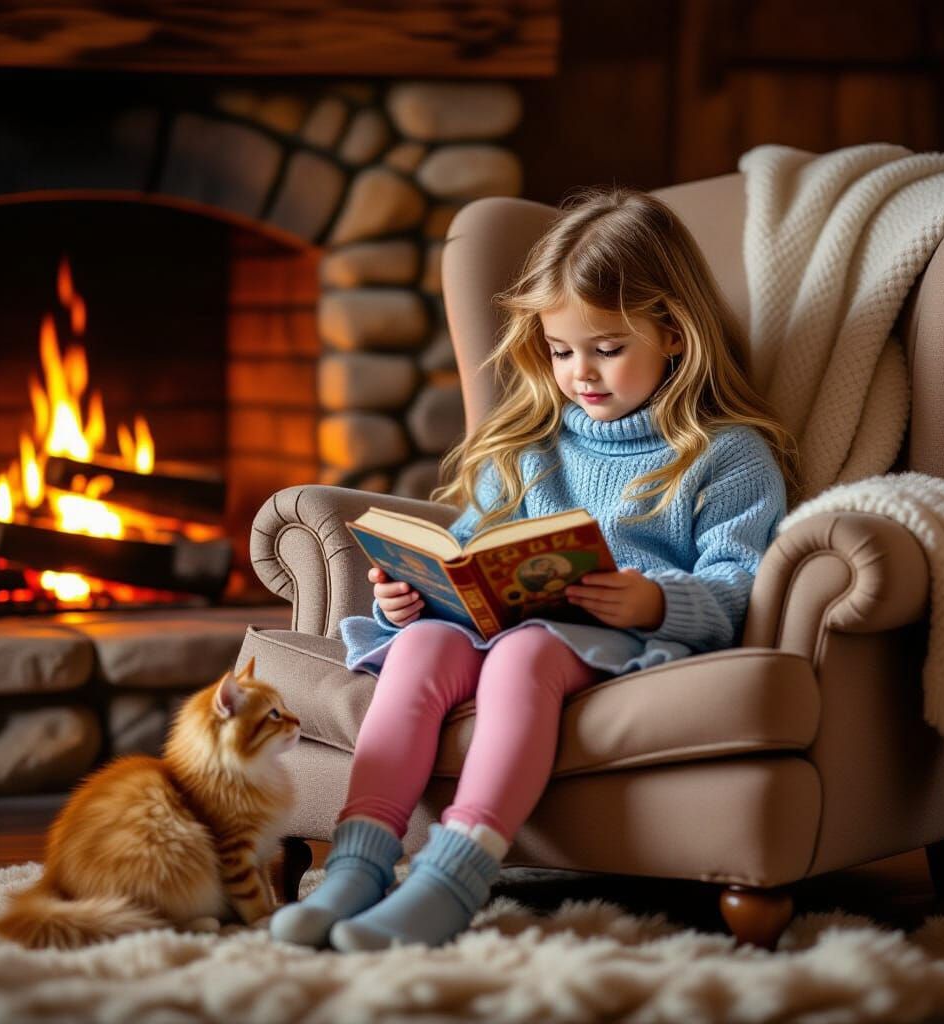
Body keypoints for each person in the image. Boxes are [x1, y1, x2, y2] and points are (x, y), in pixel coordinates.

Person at [271, 186, 800, 952]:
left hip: (622, 646)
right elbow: (476, 565)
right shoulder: (527, 447)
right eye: (560, 351)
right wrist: (410, 600)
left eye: (607, 348)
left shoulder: (727, 454)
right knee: (420, 648)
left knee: (526, 651)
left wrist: (653, 601)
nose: (580, 372)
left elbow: (740, 585)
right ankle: (360, 862)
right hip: (501, 630)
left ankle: (456, 873)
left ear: (675, 334)